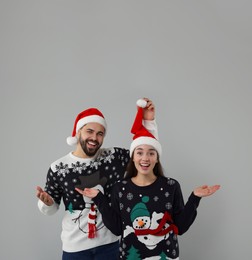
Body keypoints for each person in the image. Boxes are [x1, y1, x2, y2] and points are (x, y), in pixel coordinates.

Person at [76, 100, 220, 260]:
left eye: (151, 153)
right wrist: (99, 198)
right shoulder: (120, 189)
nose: (145, 158)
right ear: (132, 157)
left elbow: (180, 227)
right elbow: (117, 229)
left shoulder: (171, 186)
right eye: (139, 152)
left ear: (157, 158)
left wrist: (195, 197)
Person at [36, 98, 158, 260]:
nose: (94, 138)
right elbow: (52, 206)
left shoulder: (113, 157)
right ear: (78, 132)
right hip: (75, 249)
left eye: (100, 134)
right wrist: (47, 203)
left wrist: (148, 121)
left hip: (110, 246)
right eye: (90, 131)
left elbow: (145, 150)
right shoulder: (58, 167)